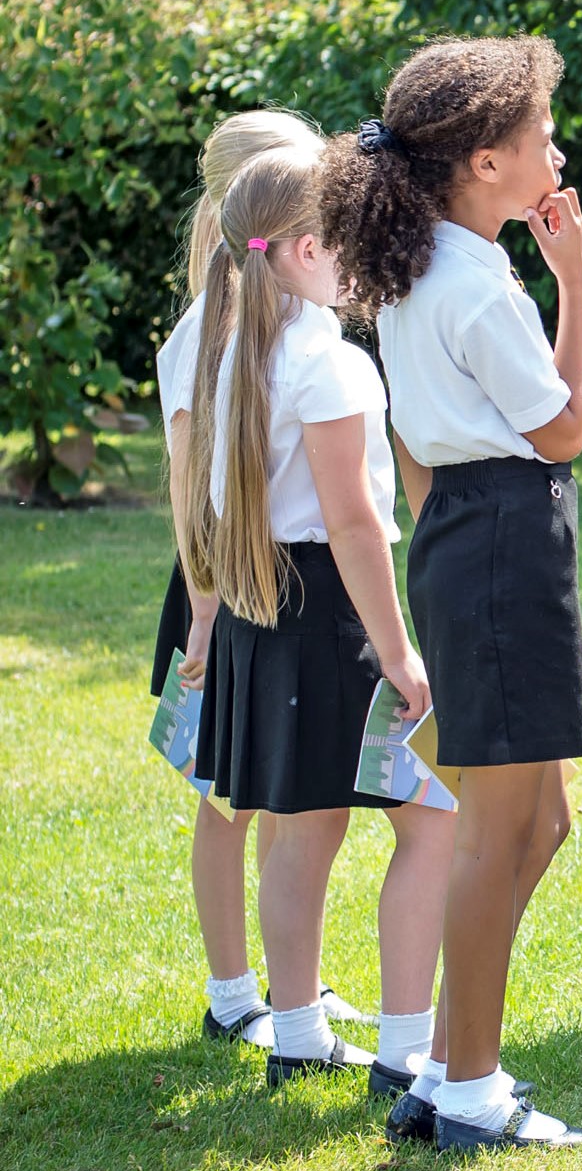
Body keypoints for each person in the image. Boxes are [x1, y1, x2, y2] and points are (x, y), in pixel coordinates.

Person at [319, 37, 582, 1149]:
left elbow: (420, 444)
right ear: (486, 161)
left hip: (473, 539)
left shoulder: (425, 267)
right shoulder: (475, 282)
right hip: (498, 544)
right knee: (499, 830)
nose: (555, 152)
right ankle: (469, 1089)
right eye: (540, 138)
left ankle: (449, 1061)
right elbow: (568, 430)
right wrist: (573, 284)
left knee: (540, 821)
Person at [184, 149, 454, 1091]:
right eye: (346, 236)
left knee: (301, 830)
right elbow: (353, 523)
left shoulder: (229, 353)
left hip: (265, 608)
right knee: (434, 823)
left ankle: (297, 1031)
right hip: (331, 614)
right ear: (305, 249)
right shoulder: (332, 365)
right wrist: (397, 648)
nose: (362, 255)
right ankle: (407, 1049)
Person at [155, 109, 369, 1047]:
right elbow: (188, 492)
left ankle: (297, 989)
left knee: (284, 794)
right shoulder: (206, 333)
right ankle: (234, 987)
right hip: (220, 580)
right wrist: (202, 615)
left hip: (252, 578)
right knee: (226, 795)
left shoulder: (277, 318)